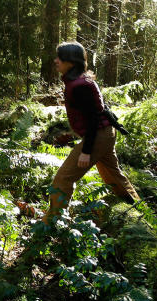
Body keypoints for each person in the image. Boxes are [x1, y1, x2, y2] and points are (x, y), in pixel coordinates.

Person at [45, 42, 140, 221]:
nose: (56, 61)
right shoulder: (79, 81)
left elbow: (93, 118)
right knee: (113, 175)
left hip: (98, 135)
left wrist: (86, 151)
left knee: (62, 180)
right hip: (104, 133)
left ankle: (51, 224)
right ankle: (137, 207)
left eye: (60, 58)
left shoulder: (80, 85)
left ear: (71, 62)